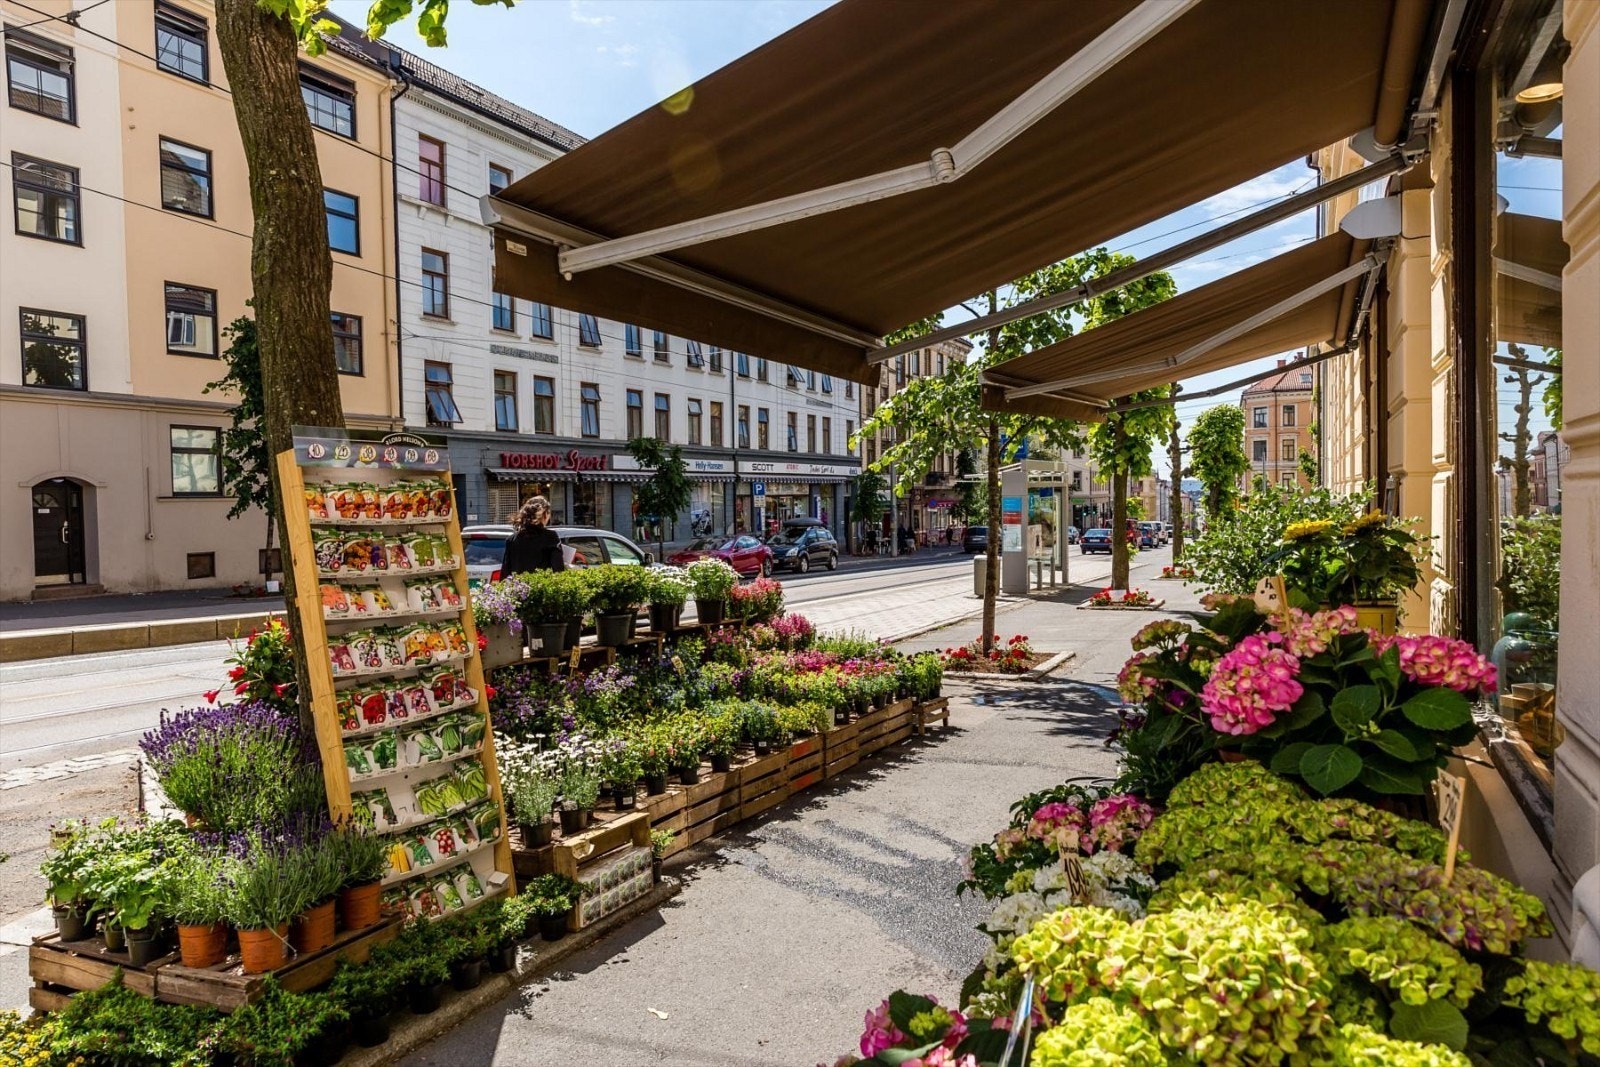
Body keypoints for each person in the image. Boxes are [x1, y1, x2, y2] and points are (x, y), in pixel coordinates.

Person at [501, 496, 565, 575]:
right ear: (545, 514)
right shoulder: (550, 537)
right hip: (541, 585)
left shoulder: (511, 540)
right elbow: (558, 569)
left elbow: (505, 573)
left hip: (519, 585)